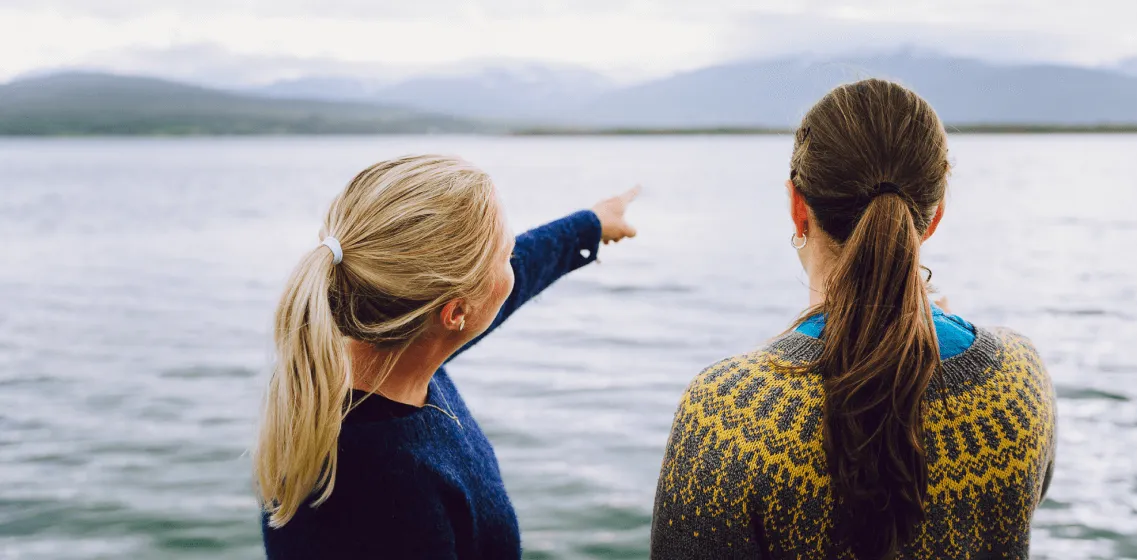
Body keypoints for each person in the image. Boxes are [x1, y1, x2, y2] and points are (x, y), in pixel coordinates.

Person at [651, 79, 1057, 559]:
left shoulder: (727, 413)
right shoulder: (1020, 377)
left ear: (798, 208)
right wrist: (928, 329)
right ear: (934, 217)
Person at [255, 155, 639, 559]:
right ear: (455, 314)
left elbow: (512, 277)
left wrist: (589, 225)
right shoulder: (389, 496)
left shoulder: (374, 347)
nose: (515, 261)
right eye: (505, 255)